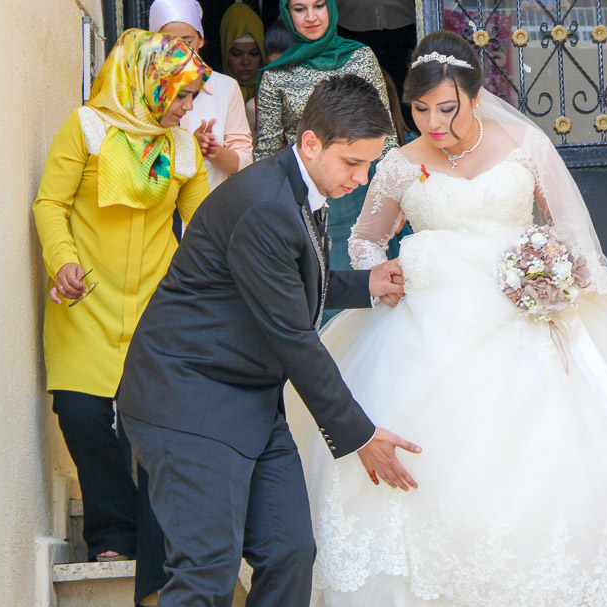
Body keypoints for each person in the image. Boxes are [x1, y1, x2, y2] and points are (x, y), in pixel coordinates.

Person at [286, 31, 607, 606]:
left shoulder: (525, 145)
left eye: (446, 108)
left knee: (558, 456)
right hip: (427, 326)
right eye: (420, 109)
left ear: (475, 97)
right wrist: (387, 277)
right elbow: (364, 243)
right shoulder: (400, 165)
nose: (433, 122)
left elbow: (573, 231)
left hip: (524, 314)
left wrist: (556, 276)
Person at [117, 74, 421, 607]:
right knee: (206, 573)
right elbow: (293, 338)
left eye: (370, 163)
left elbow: (290, 279)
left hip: (250, 401)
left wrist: (362, 283)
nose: (362, 176)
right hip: (188, 400)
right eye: (352, 162)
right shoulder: (264, 205)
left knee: (289, 553)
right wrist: (361, 434)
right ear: (310, 142)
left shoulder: (298, 187)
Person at [32, 29, 210, 564]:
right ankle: (112, 533)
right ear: (148, 80)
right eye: (179, 95)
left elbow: (202, 228)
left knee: (154, 424)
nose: (185, 109)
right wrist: (63, 261)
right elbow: (49, 203)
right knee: (82, 416)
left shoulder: (183, 147)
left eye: (191, 97)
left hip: (157, 308)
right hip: (84, 297)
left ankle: (154, 545)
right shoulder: (86, 127)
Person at [254, 0, 397, 297]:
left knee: (372, 283)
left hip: (363, 191)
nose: (310, 17)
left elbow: (386, 136)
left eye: (318, 5)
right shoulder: (275, 75)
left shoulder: (360, 57)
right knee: (319, 286)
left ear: (331, 8)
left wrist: (399, 196)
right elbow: (266, 155)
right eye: (299, 8)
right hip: (305, 199)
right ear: (286, 14)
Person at [150, 0, 254, 191]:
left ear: (201, 41)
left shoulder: (225, 88)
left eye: (187, 41)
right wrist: (187, 148)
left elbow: (245, 164)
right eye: (169, 41)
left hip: (209, 212)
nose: (179, 50)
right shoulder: (142, 89)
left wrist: (214, 152)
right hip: (156, 214)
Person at [244, 17, 294, 137]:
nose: (279, 79)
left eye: (286, 69)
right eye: (273, 70)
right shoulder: (254, 108)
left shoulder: (319, 103)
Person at [220, 2, 266, 105]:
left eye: (254, 53)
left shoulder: (274, 93)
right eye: (236, 54)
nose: (246, 62)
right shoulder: (213, 95)